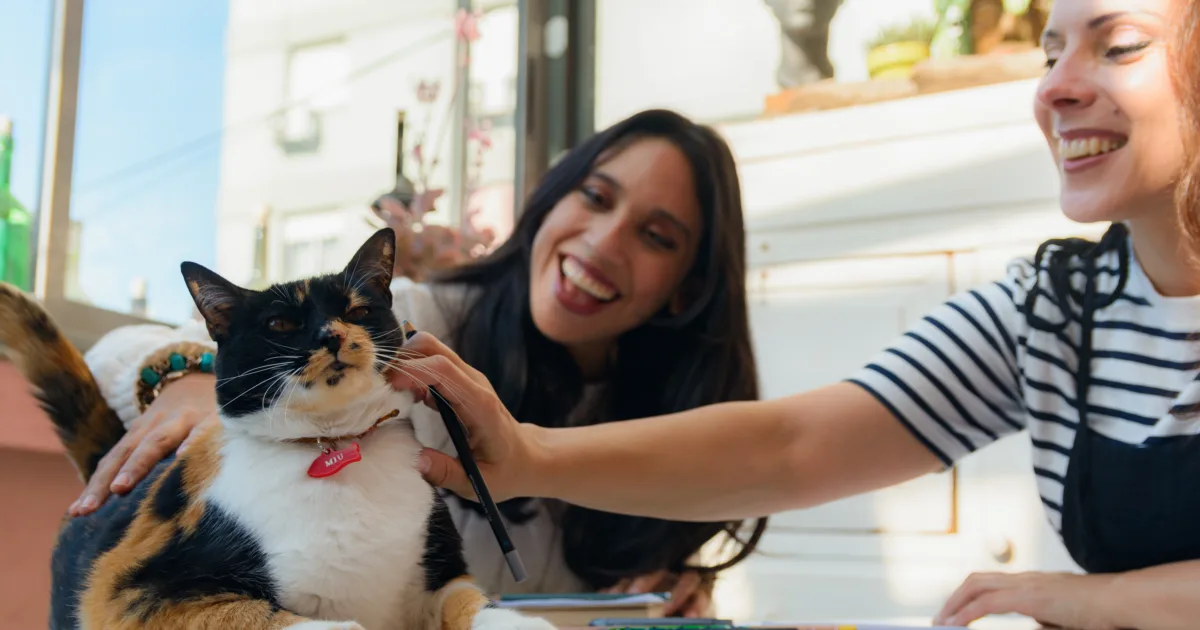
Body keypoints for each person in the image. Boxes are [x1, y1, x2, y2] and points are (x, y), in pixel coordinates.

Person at [395, 0, 1200, 627]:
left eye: (1119, 45)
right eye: (1050, 52)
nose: (1054, 88)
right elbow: (795, 446)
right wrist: (528, 454)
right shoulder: (1051, 312)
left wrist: (1093, 600)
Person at [74, 109, 768, 614]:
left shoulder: (661, 412)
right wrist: (189, 376)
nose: (603, 243)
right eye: (595, 196)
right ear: (551, 198)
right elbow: (113, 352)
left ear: (690, 286)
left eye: (655, 235)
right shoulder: (416, 327)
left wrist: (672, 588)